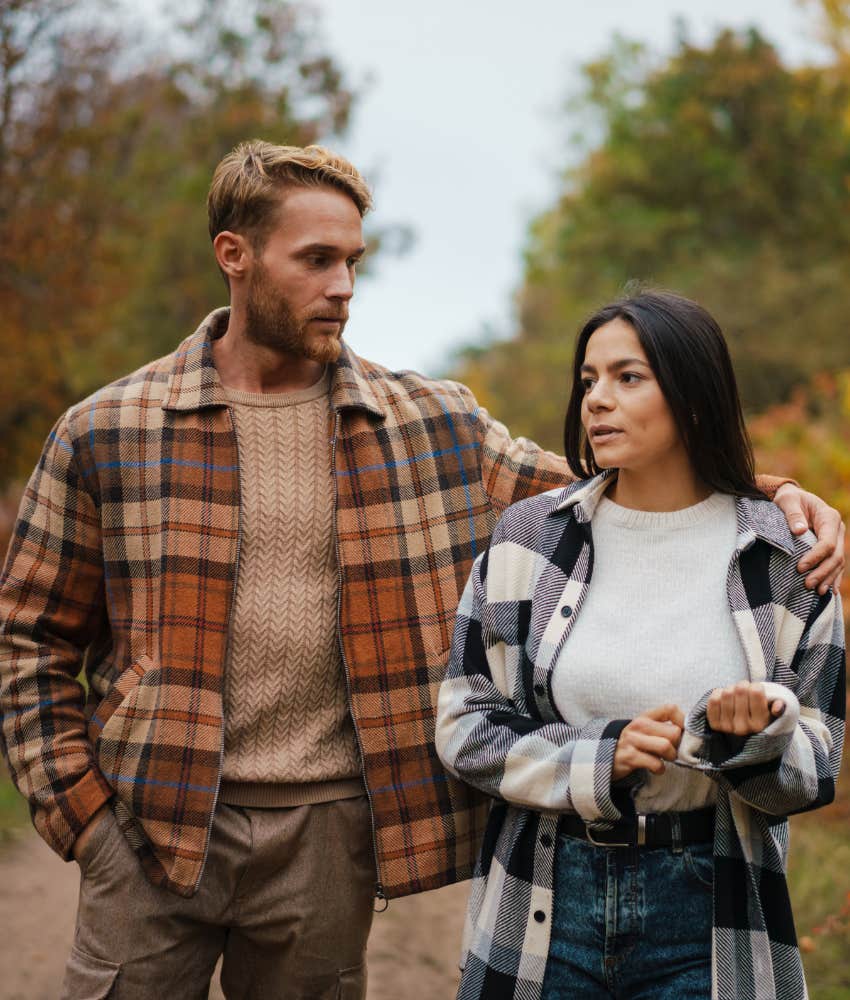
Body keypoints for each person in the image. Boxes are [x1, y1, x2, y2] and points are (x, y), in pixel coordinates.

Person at [0, 145, 842, 1000]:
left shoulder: (430, 422)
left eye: (352, 262)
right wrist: (84, 817)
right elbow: (29, 636)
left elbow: (613, 486)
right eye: (316, 260)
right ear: (234, 254)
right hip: (150, 823)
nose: (343, 287)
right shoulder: (109, 431)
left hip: (327, 839)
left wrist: (770, 494)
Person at [435, 289, 846, 1000]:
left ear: (693, 397)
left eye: (628, 377)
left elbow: (820, 765)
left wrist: (754, 738)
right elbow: (464, 726)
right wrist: (601, 758)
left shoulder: (786, 558)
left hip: (711, 910)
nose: (597, 399)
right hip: (541, 902)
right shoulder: (530, 541)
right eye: (589, 379)